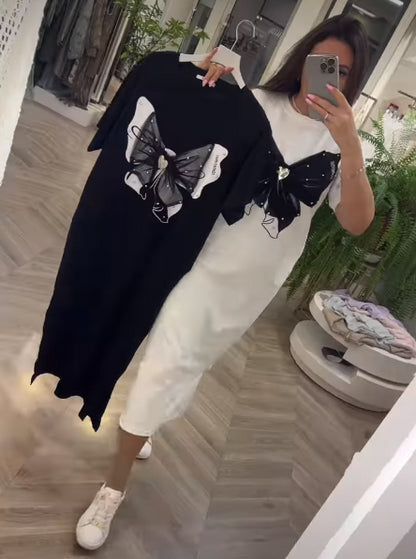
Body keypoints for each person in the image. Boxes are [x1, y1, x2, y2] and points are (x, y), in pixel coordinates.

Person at [75, 15, 374, 551]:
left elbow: (357, 222)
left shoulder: (345, 145)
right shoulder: (255, 104)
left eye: (343, 71)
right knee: (167, 359)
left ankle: (147, 419)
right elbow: (189, 132)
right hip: (198, 259)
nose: (328, 75)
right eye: (322, 61)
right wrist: (203, 79)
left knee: (187, 362)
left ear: (353, 81)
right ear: (303, 57)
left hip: (253, 283)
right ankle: (113, 488)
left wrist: (350, 147)